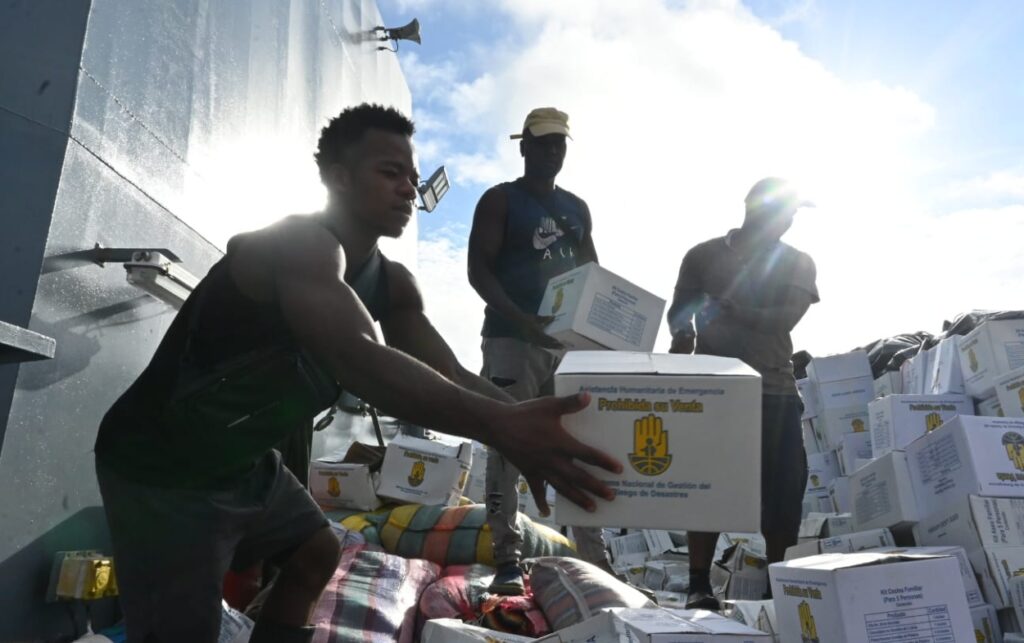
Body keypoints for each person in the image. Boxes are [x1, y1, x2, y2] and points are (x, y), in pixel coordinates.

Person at [94, 104, 621, 643]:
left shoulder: (393, 283)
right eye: (390, 174)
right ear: (337, 178)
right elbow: (357, 355)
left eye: (413, 178)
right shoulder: (299, 244)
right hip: (162, 461)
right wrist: (501, 426)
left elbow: (449, 371)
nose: (409, 190)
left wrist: (522, 423)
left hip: (239, 460)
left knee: (314, 554)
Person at [468, 107, 606, 595]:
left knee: (580, 446)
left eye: (559, 144)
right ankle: (507, 558)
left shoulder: (577, 208)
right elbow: (478, 271)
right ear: (523, 146)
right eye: (543, 143)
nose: (552, 151)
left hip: (566, 350)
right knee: (508, 443)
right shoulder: (500, 200)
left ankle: (596, 559)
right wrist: (523, 319)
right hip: (512, 341)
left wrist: (605, 332)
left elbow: (593, 276)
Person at [666, 177, 818, 610]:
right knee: (707, 487)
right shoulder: (702, 255)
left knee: (783, 496)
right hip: (715, 390)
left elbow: (785, 317)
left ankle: (777, 586)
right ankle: (699, 585)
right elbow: (680, 309)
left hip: (774, 390)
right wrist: (682, 334)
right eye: (784, 211)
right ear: (755, 208)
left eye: (793, 214)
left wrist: (735, 309)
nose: (789, 221)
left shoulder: (797, 262)